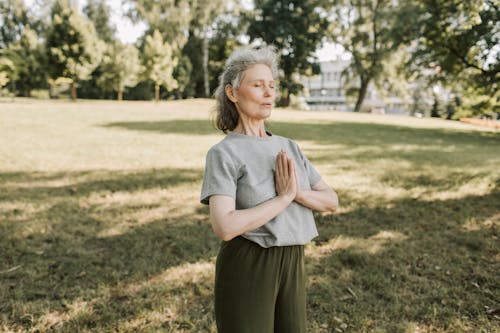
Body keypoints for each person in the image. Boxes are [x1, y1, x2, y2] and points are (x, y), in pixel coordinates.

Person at [200, 46, 338, 333]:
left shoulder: (289, 146)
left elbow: (330, 200)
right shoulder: (224, 153)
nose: (269, 93)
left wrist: (297, 193)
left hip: (293, 260)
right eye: (258, 85)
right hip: (249, 262)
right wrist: (284, 197)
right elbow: (225, 226)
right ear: (233, 93)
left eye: (272, 86)